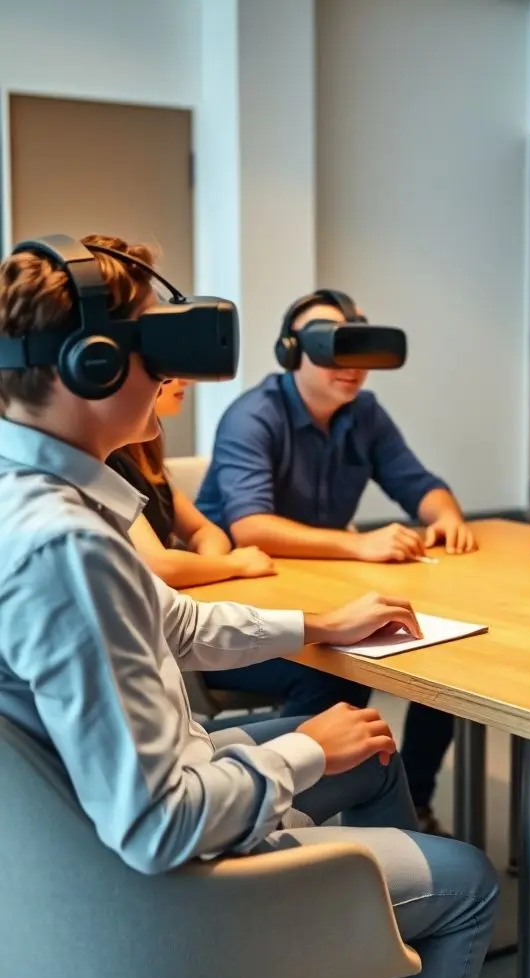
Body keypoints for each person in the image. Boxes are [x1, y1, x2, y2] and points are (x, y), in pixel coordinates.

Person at [0, 234, 498, 978]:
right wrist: (305, 752)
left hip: (90, 844)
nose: (171, 375)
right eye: (155, 345)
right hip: (167, 896)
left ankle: (334, 972)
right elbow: (159, 826)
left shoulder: (40, 500)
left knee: (367, 743)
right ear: (94, 363)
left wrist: (318, 621)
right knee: (469, 880)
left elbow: (179, 622)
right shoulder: (67, 548)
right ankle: (332, 937)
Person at [194, 290, 474, 833]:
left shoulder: (363, 413)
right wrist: (358, 544)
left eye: (357, 345)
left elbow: (419, 485)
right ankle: (279, 813)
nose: (349, 366)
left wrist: (445, 515)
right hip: (233, 617)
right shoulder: (253, 415)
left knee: (444, 659)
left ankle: (410, 801)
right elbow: (251, 526)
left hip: (320, 597)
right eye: (330, 346)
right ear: (290, 351)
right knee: (336, 667)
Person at [108, 379, 384, 747]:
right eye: (167, 372)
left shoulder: (146, 458)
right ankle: (294, 781)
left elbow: (208, 533)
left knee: (335, 662)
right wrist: (233, 566)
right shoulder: (107, 467)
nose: (184, 380)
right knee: (328, 675)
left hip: (196, 620)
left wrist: (211, 568)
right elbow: (160, 566)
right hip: (178, 646)